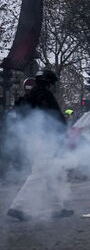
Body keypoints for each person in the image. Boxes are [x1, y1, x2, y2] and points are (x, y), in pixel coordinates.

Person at [6, 70, 72, 221]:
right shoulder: (44, 96)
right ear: (48, 82)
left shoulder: (31, 96)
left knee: (52, 172)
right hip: (43, 139)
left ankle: (58, 207)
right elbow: (54, 118)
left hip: (34, 139)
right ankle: (17, 207)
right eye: (53, 83)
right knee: (39, 173)